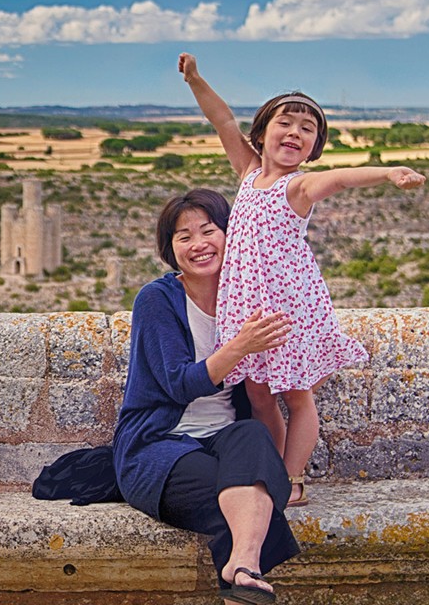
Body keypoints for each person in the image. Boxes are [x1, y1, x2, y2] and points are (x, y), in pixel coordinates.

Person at [179, 53, 426, 507]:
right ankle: (270, 470)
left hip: (287, 311)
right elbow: (223, 120)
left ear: (313, 148)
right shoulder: (249, 172)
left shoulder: (297, 187)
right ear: (262, 133)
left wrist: (389, 172)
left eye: (306, 129)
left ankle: (292, 479)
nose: (294, 132)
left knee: (296, 396)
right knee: (258, 397)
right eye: (285, 122)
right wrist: (195, 79)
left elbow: (342, 180)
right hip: (249, 310)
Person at [113, 188, 298, 605]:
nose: (198, 244)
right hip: (158, 446)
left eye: (208, 230)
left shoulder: (246, 297)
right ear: (170, 249)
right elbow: (179, 382)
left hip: (223, 439)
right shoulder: (157, 300)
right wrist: (240, 345)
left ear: (230, 234)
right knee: (246, 502)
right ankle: (244, 575)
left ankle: (242, 567)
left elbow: (274, 386)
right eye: (183, 237)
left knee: (252, 438)